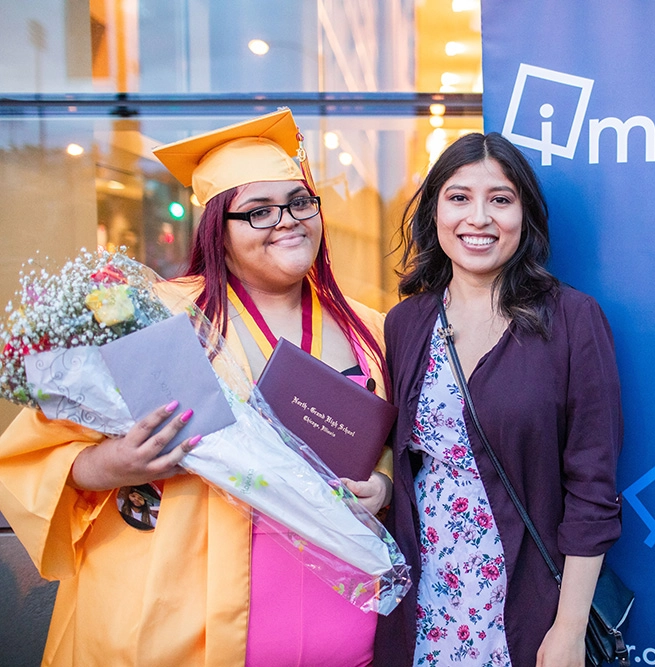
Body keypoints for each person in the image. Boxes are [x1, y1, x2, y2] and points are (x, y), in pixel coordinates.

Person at [0, 109, 393, 665]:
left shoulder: (369, 328)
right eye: (257, 211)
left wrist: (385, 486)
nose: (287, 221)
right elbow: (38, 456)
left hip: (339, 603)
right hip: (177, 616)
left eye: (299, 202)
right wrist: (118, 462)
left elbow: (408, 451)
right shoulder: (155, 318)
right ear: (218, 229)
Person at [374, 133, 623, 667]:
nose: (479, 217)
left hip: (526, 602)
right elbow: (408, 460)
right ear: (435, 211)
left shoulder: (574, 320)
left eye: (501, 199)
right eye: (459, 197)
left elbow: (592, 489)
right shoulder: (405, 323)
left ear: (524, 215)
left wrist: (569, 628)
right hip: (423, 596)